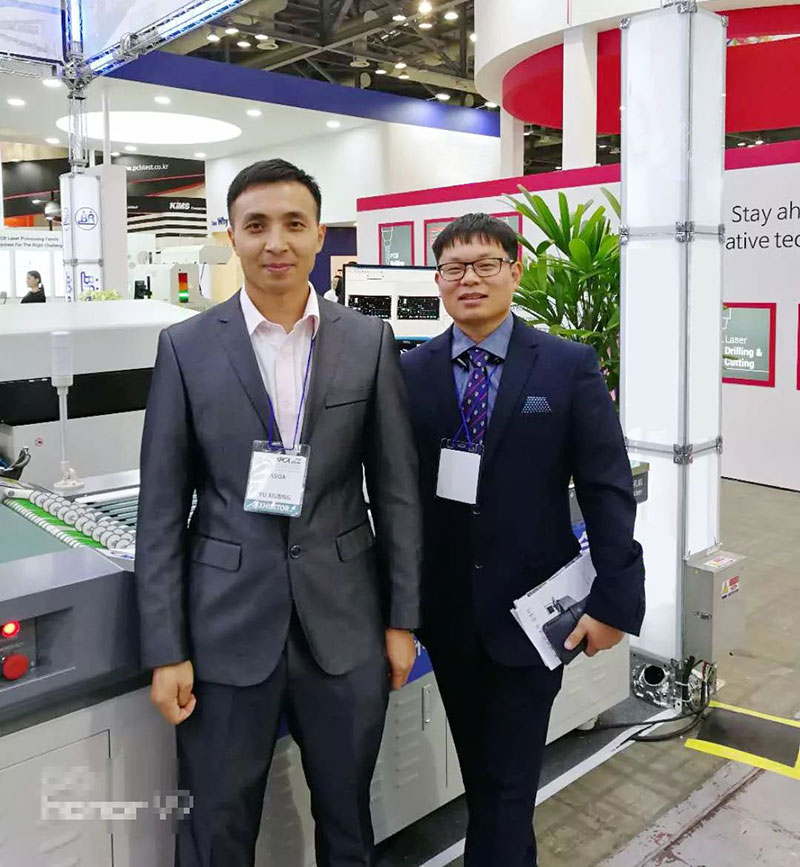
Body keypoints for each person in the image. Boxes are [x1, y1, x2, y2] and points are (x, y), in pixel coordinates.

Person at [136, 158, 422, 867]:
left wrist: (401, 621)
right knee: (215, 828)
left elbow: (396, 493)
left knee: (348, 821)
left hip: (345, 626)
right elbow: (162, 508)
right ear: (231, 236)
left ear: (319, 235)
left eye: (294, 224)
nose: (276, 242)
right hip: (225, 629)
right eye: (256, 224)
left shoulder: (368, 340)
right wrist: (166, 648)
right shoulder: (185, 347)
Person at [400, 213, 645, 867]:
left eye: (485, 264)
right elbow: (400, 495)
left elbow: (607, 486)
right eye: (454, 268)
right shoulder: (411, 371)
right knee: (486, 780)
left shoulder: (566, 365)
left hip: (537, 613)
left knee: (507, 787)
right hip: (449, 615)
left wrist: (615, 600)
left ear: (515, 270)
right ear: (438, 280)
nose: (469, 279)